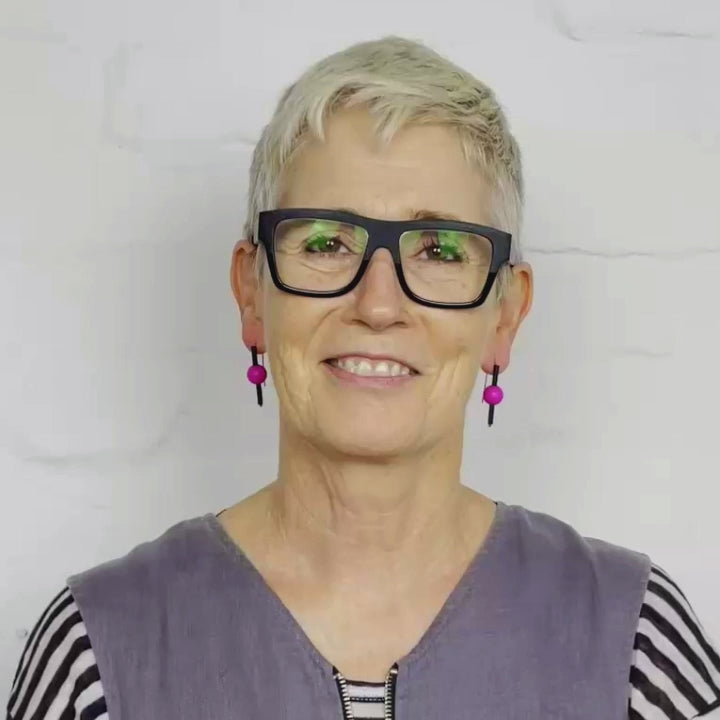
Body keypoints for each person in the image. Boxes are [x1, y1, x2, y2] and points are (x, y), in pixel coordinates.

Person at [6, 35, 720, 720]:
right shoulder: (95, 652)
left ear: (505, 314)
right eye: (325, 242)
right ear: (252, 293)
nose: (379, 304)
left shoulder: (636, 643)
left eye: (439, 249)